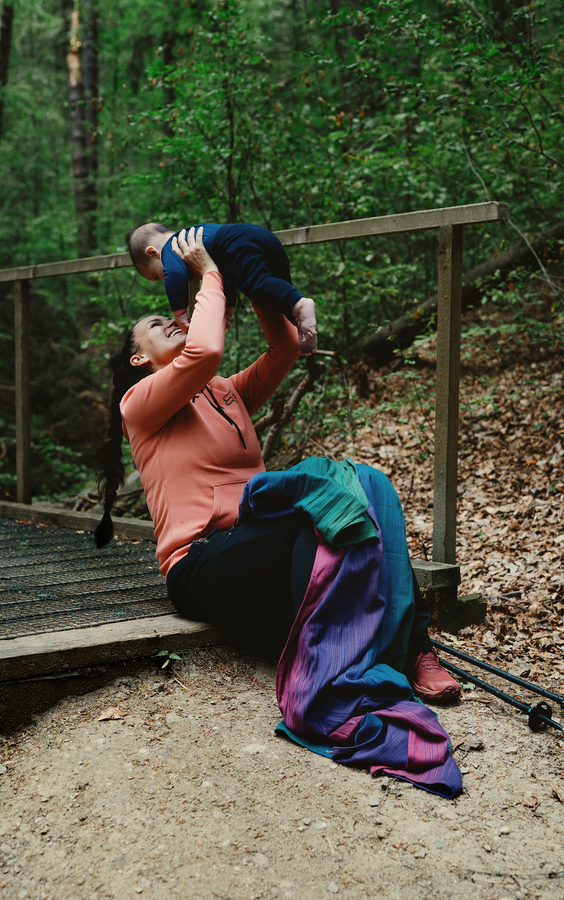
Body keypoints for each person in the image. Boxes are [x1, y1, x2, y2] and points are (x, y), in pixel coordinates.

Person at [95, 227, 462, 797]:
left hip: (259, 544)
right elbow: (206, 349)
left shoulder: (225, 392)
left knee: (363, 485)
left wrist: (257, 284)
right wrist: (211, 271)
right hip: (201, 562)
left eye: (167, 315)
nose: (166, 319)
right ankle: (337, 660)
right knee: (315, 505)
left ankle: (408, 646)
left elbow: (285, 348)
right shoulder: (139, 404)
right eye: (152, 325)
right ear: (141, 356)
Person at [126, 220, 318, 356]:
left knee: (256, 284)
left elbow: (175, 276)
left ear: (153, 253)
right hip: (262, 237)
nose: (164, 276)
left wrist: (179, 313)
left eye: (157, 276)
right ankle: (301, 327)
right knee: (277, 293)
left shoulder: (171, 249)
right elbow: (228, 274)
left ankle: (302, 305)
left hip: (240, 243)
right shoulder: (195, 238)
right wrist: (228, 306)